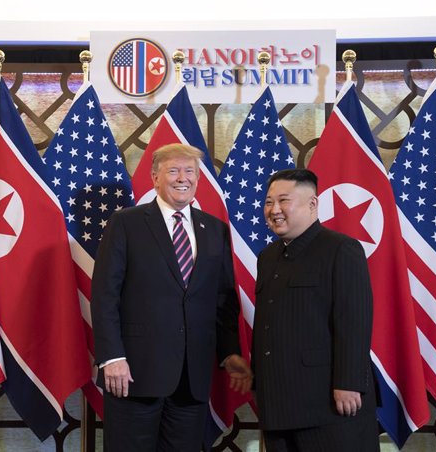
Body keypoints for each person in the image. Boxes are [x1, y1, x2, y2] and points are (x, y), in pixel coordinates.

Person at [91, 143, 252, 452]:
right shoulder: (126, 223)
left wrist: (229, 353)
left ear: (198, 179)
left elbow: (222, 299)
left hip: (191, 378)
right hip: (133, 373)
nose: (183, 178)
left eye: (190, 171)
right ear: (155, 178)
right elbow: (104, 295)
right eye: (174, 170)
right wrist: (112, 357)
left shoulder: (214, 229)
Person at [252, 168, 378, 452]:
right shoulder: (268, 257)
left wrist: (349, 382)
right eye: (269, 202)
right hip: (278, 402)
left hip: (329, 402)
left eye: (284, 201)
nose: (274, 210)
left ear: (313, 204)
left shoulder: (341, 249)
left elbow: (354, 320)